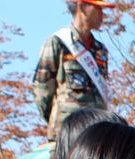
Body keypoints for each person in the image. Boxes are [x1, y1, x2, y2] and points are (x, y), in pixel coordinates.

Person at [33, 0, 111, 140]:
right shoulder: (58, 42)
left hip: (97, 132)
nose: (102, 15)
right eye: (98, 9)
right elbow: (42, 90)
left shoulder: (100, 50)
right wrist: (56, 121)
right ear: (82, 6)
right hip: (68, 133)